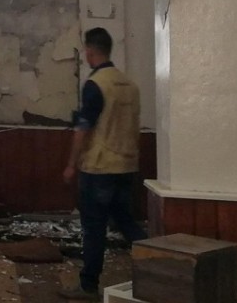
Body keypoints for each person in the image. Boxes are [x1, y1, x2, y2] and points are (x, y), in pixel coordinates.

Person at [59, 27, 145, 300]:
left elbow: (83, 129)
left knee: (93, 229)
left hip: (99, 168)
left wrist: (71, 164)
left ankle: (87, 285)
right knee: (126, 223)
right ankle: (161, 269)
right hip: (127, 166)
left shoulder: (96, 85)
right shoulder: (130, 85)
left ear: (90, 51)